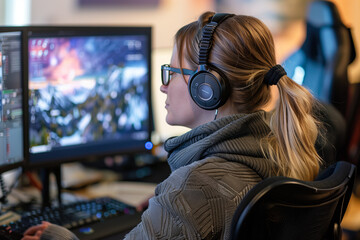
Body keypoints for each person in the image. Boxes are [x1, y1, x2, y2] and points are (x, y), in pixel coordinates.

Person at [22, 11, 323, 240]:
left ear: (207, 88)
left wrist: (61, 236)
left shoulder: (190, 189)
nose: (164, 87)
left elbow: (199, 194)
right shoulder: (279, 150)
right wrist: (165, 210)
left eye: (171, 72)